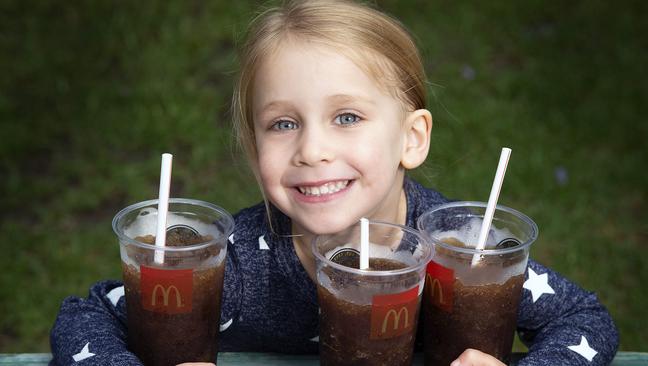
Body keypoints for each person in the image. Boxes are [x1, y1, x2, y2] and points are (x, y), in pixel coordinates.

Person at [50, 1, 618, 365]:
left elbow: (585, 321)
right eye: (283, 123)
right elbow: (83, 316)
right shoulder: (236, 262)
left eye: (347, 116)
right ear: (254, 150)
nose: (313, 150)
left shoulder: (460, 256)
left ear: (411, 139)